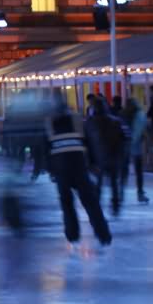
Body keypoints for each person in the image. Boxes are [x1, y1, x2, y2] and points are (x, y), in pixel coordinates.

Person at [45, 93, 113, 247]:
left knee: (67, 203)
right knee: (91, 202)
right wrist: (95, 163)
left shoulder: (49, 123)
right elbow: (90, 141)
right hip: (79, 166)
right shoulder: (78, 120)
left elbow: (46, 149)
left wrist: (50, 169)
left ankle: (72, 234)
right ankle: (103, 234)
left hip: (61, 169)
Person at [123, 94, 150, 204]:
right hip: (135, 146)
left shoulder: (124, 114)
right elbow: (139, 130)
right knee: (138, 171)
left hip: (125, 145)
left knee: (124, 170)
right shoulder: (139, 115)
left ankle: (119, 194)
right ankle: (140, 193)